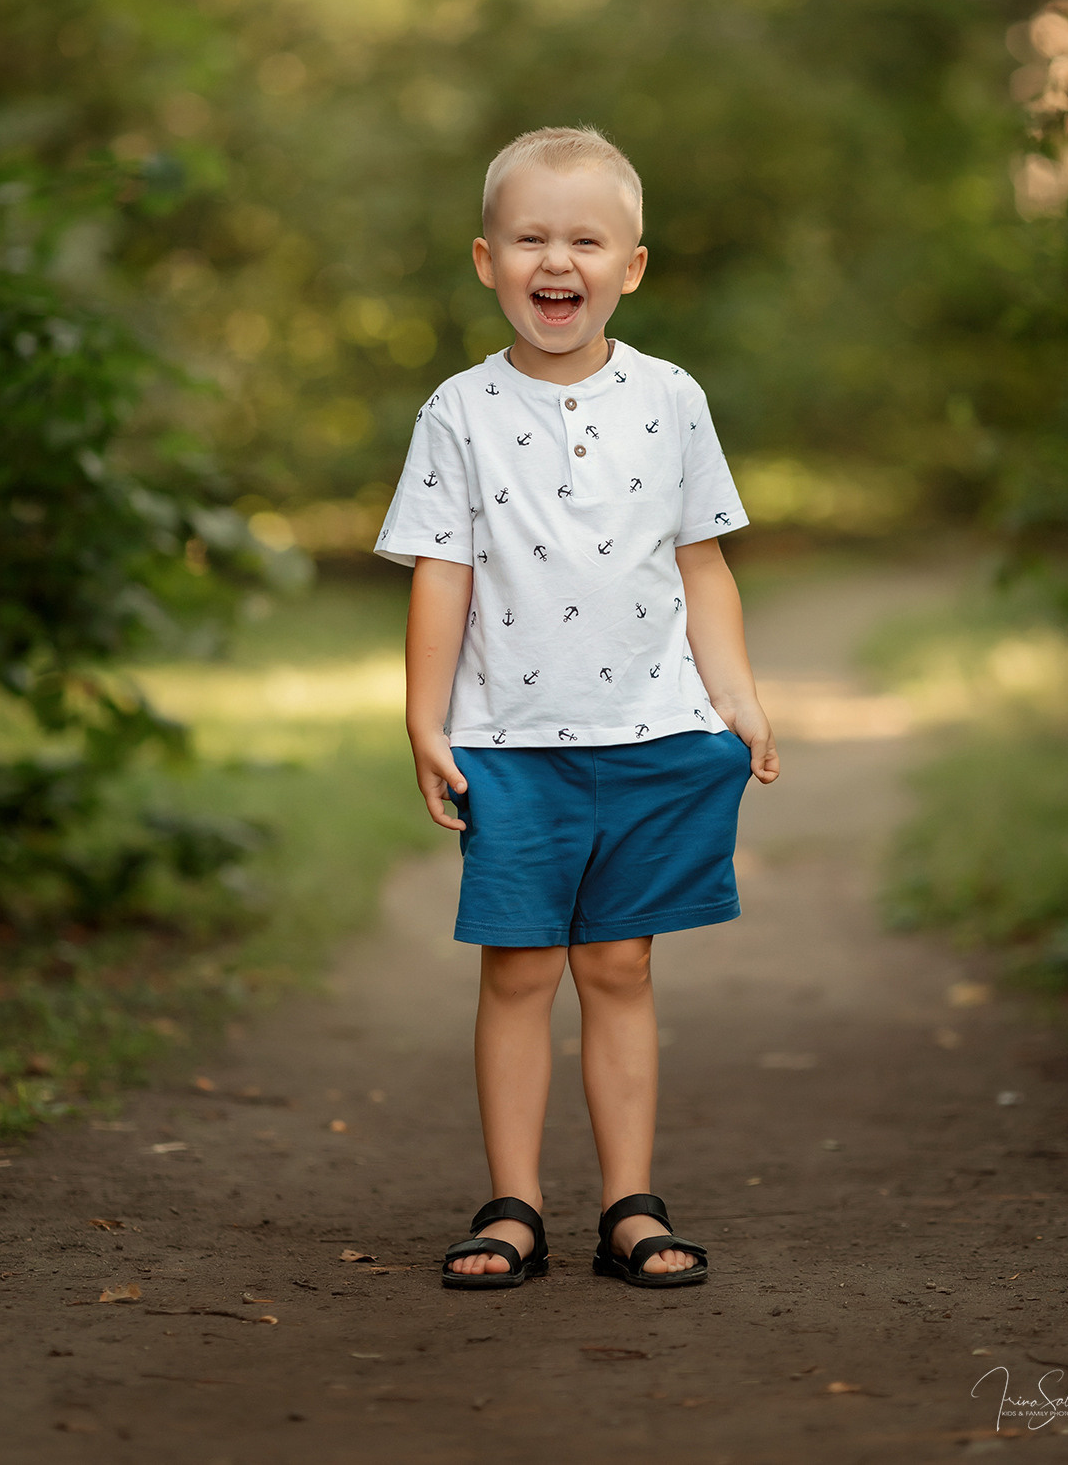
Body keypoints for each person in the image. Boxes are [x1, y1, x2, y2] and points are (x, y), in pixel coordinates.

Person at [375, 125, 779, 1291]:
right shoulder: (458, 411)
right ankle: (510, 1207)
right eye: (530, 238)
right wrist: (426, 720)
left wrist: (738, 697)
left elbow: (702, 564)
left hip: (652, 737)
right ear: (486, 259)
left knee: (619, 970)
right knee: (515, 973)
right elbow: (441, 569)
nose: (558, 260)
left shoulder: (672, 398)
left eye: (585, 240)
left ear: (631, 265)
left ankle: (630, 1207)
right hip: (511, 746)